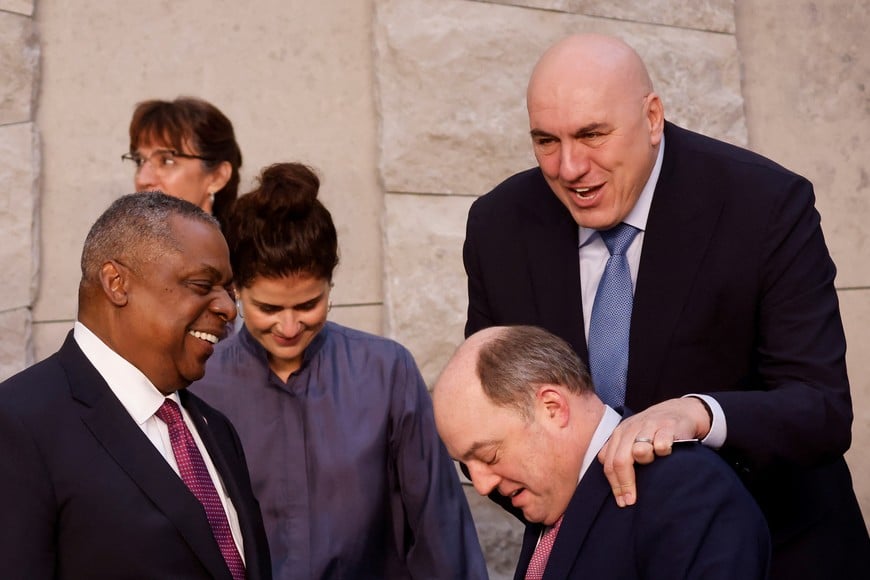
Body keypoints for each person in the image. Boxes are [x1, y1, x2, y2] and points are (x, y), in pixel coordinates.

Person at [462, 33, 870, 578]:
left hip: (778, 553)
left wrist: (700, 414)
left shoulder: (766, 206)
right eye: (545, 141)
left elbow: (819, 408)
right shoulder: (499, 227)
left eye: (592, 135)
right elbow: (494, 409)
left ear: (652, 117)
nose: (568, 167)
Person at [190, 162, 487, 579]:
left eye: (309, 305)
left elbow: (438, 525)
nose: (289, 327)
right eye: (269, 308)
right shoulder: (200, 385)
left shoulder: (387, 372)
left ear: (331, 283)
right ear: (235, 289)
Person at [0, 192, 271, 579]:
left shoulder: (217, 429)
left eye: (228, 290)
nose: (229, 308)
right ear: (116, 283)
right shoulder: (18, 426)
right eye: (201, 284)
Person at [434, 325, 770, 579]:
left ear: (552, 408)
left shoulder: (687, 491)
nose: (480, 485)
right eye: (466, 465)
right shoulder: (555, 498)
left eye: (490, 455)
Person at [124, 96, 243, 229]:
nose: (142, 179)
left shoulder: (235, 248)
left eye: (166, 161)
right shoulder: (119, 246)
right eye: (140, 161)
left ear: (217, 177)